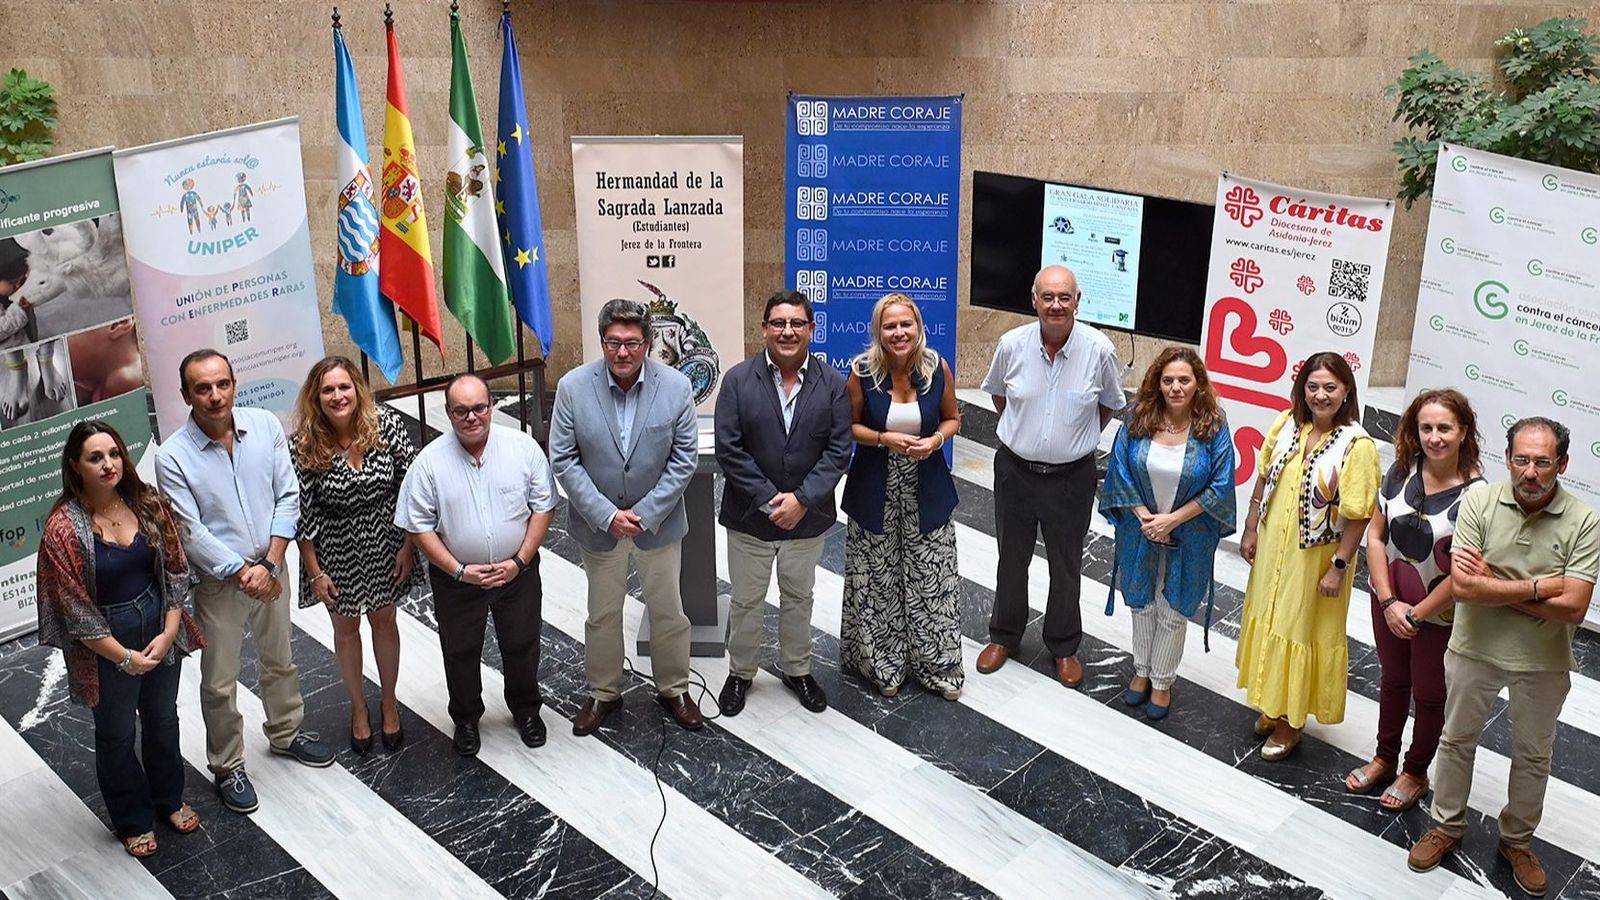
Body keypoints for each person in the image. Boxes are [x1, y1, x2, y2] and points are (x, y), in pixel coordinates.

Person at [1408, 417, 1597, 897]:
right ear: (1507, 459)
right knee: (1456, 740)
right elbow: (1465, 586)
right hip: (1474, 649)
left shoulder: (1585, 520)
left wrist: (1494, 583)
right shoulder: (1479, 501)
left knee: (1533, 755)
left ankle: (1517, 840)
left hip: (1544, 660)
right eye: (1520, 459)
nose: (1529, 472)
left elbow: (1573, 606)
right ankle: (1446, 826)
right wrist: (1536, 587)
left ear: (1563, 464)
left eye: (1542, 462)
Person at [155, 349, 332, 816]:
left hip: (271, 566)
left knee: (281, 657)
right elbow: (189, 529)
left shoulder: (266, 426)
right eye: (202, 388)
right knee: (219, 679)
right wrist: (242, 572)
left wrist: (270, 563)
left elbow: (288, 494)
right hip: (220, 584)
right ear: (185, 395)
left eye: (222, 384)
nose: (215, 396)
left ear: (235, 384)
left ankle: (287, 732)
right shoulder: (173, 456)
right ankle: (228, 765)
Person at [36, 421, 205, 857]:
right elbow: (73, 608)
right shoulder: (63, 528)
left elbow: (175, 567)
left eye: (113, 453)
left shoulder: (145, 501)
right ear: (76, 466)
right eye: (95, 457)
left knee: (163, 718)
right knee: (114, 733)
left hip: (158, 622)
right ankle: (132, 818)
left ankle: (168, 798)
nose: (109, 464)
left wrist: (169, 632)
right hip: (105, 640)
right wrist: (124, 657)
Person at [550, 299, 703, 734]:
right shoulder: (572, 387)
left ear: (648, 343)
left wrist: (645, 513)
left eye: (632, 343)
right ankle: (604, 694)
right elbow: (563, 458)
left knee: (669, 611)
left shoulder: (675, 386)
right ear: (602, 342)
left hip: (658, 525)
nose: (623, 352)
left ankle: (674, 688)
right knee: (602, 613)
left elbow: (683, 458)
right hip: (599, 528)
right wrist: (606, 515)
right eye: (614, 343)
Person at [976, 265, 1125, 686]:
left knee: (1066, 564)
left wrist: (1068, 442)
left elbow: (1109, 405)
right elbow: (999, 395)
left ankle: (1062, 646)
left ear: (1078, 301)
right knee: (1011, 559)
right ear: (1034, 299)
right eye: (1048, 297)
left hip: (1071, 478)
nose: (1056, 305)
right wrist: (1028, 440)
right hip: (1015, 473)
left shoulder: (1099, 350)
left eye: (1065, 297)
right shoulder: (1011, 345)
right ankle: (1004, 636)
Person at [395, 374, 557, 755]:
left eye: (479, 408)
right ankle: (466, 719)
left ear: (491, 406)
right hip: (457, 580)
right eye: (461, 410)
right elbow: (419, 526)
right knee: (460, 650)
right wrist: (457, 569)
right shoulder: (428, 463)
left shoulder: (523, 449)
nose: (472, 417)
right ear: (449, 413)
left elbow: (543, 506)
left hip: (518, 573)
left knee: (522, 643)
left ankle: (526, 710)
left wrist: (520, 560)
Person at [1236, 351, 1380, 760]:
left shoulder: (1358, 445)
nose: (1320, 395)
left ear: (1346, 390)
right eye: (1313, 387)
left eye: (1330, 388)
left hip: (1316, 560)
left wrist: (1338, 568)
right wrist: (1250, 526)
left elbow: (1358, 514)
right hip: (1273, 549)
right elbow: (1263, 475)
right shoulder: (1286, 424)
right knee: (1271, 618)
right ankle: (1274, 702)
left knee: (1299, 629)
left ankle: (1291, 722)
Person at [714, 290, 852, 715]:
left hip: (806, 521)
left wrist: (802, 500)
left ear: (812, 329)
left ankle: (798, 669)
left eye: (796, 323)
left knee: (799, 596)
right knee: (746, 600)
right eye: (778, 323)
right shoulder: (738, 380)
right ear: (764, 329)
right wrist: (770, 500)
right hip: (749, 519)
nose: (787, 331)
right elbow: (728, 449)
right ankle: (740, 673)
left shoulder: (833, 383)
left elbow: (838, 451)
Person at [1346, 389, 1483, 810]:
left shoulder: (1478, 494)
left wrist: (1416, 613)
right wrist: (1388, 601)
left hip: (1437, 614)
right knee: (1392, 680)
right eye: (1426, 427)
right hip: (1388, 598)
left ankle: (1415, 772)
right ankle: (1384, 758)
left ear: (1463, 432)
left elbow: (1464, 571)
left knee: (1428, 694)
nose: (1434, 437)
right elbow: (1374, 534)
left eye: (1445, 428)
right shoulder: (1401, 469)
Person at [291, 356, 424, 755]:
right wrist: (315, 571)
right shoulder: (303, 442)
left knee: (385, 621)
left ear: (357, 389)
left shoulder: (387, 425)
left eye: (344, 387)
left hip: (388, 540)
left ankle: (388, 701)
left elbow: (413, 486)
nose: (337, 396)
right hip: (334, 546)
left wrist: (408, 545)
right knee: (346, 629)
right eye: (328, 390)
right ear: (317, 397)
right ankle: (358, 709)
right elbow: (301, 510)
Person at [1098, 347, 1236, 720]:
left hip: (1189, 531)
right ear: (1157, 383)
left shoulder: (1214, 425)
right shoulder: (1138, 417)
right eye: (1168, 380)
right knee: (1141, 601)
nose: (1176, 387)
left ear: (1198, 384)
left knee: (1173, 607)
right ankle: (1140, 671)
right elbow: (1119, 470)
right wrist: (1146, 518)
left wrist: (1171, 520)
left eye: (1184, 380)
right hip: (1138, 528)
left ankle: (1162, 679)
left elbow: (1221, 485)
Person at [839, 293, 963, 699]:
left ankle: (937, 666)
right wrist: (881, 439)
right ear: (878, 332)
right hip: (875, 488)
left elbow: (953, 419)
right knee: (878, 580)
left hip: (926, 489)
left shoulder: (937, 369)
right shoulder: (860, 373)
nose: (898, 333)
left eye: (904, 324)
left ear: (918, 327)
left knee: (932, 579)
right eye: (889, 326)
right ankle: (883, 665)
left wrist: (936, 441)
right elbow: (848, 427)